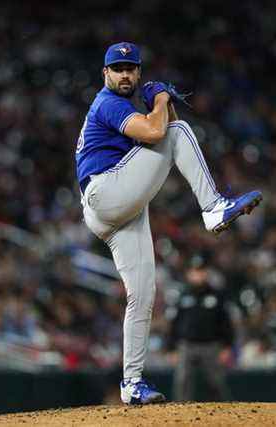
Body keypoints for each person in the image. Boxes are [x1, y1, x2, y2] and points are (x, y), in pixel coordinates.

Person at [75, 41, 262, 404]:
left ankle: (131, 384)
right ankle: (212, 207)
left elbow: (167, 130)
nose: (125, 74)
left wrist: (163, 102)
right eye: (118, 68)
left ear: (139, 71)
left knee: (142, 296)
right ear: (105, 74)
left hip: (117, 207)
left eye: (131, 68)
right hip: (106, 191)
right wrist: (159, 98)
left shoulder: (121, 102)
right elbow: (161, 133)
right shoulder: (108, 102)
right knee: (178, 132)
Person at [169, 253, 234, 401]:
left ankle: (222, 414)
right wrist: (171, 348)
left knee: (216, 382)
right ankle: (181, 412)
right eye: (195, 271)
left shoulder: (217, 295)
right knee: (182, 381)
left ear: (206, 272)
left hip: (211, 345)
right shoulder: (182, 295)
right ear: (189, 273)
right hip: (186, 345)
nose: (198, 274)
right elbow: (174, 323)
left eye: (201, 270)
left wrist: (227, 346)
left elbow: (226, 322)